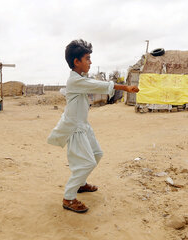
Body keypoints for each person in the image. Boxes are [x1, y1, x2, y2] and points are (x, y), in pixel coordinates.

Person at [47, 39, 139, 213]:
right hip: (75, 128)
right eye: (87, 58)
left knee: (97, 154)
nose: (90, 62)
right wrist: (125, 87)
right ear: (76, 62)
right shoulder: (75, 81)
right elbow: (98, 85)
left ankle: (81, 184)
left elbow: (93, 84)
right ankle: (69, 197)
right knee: (86, 163)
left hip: (84, 126)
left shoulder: (81, 78)